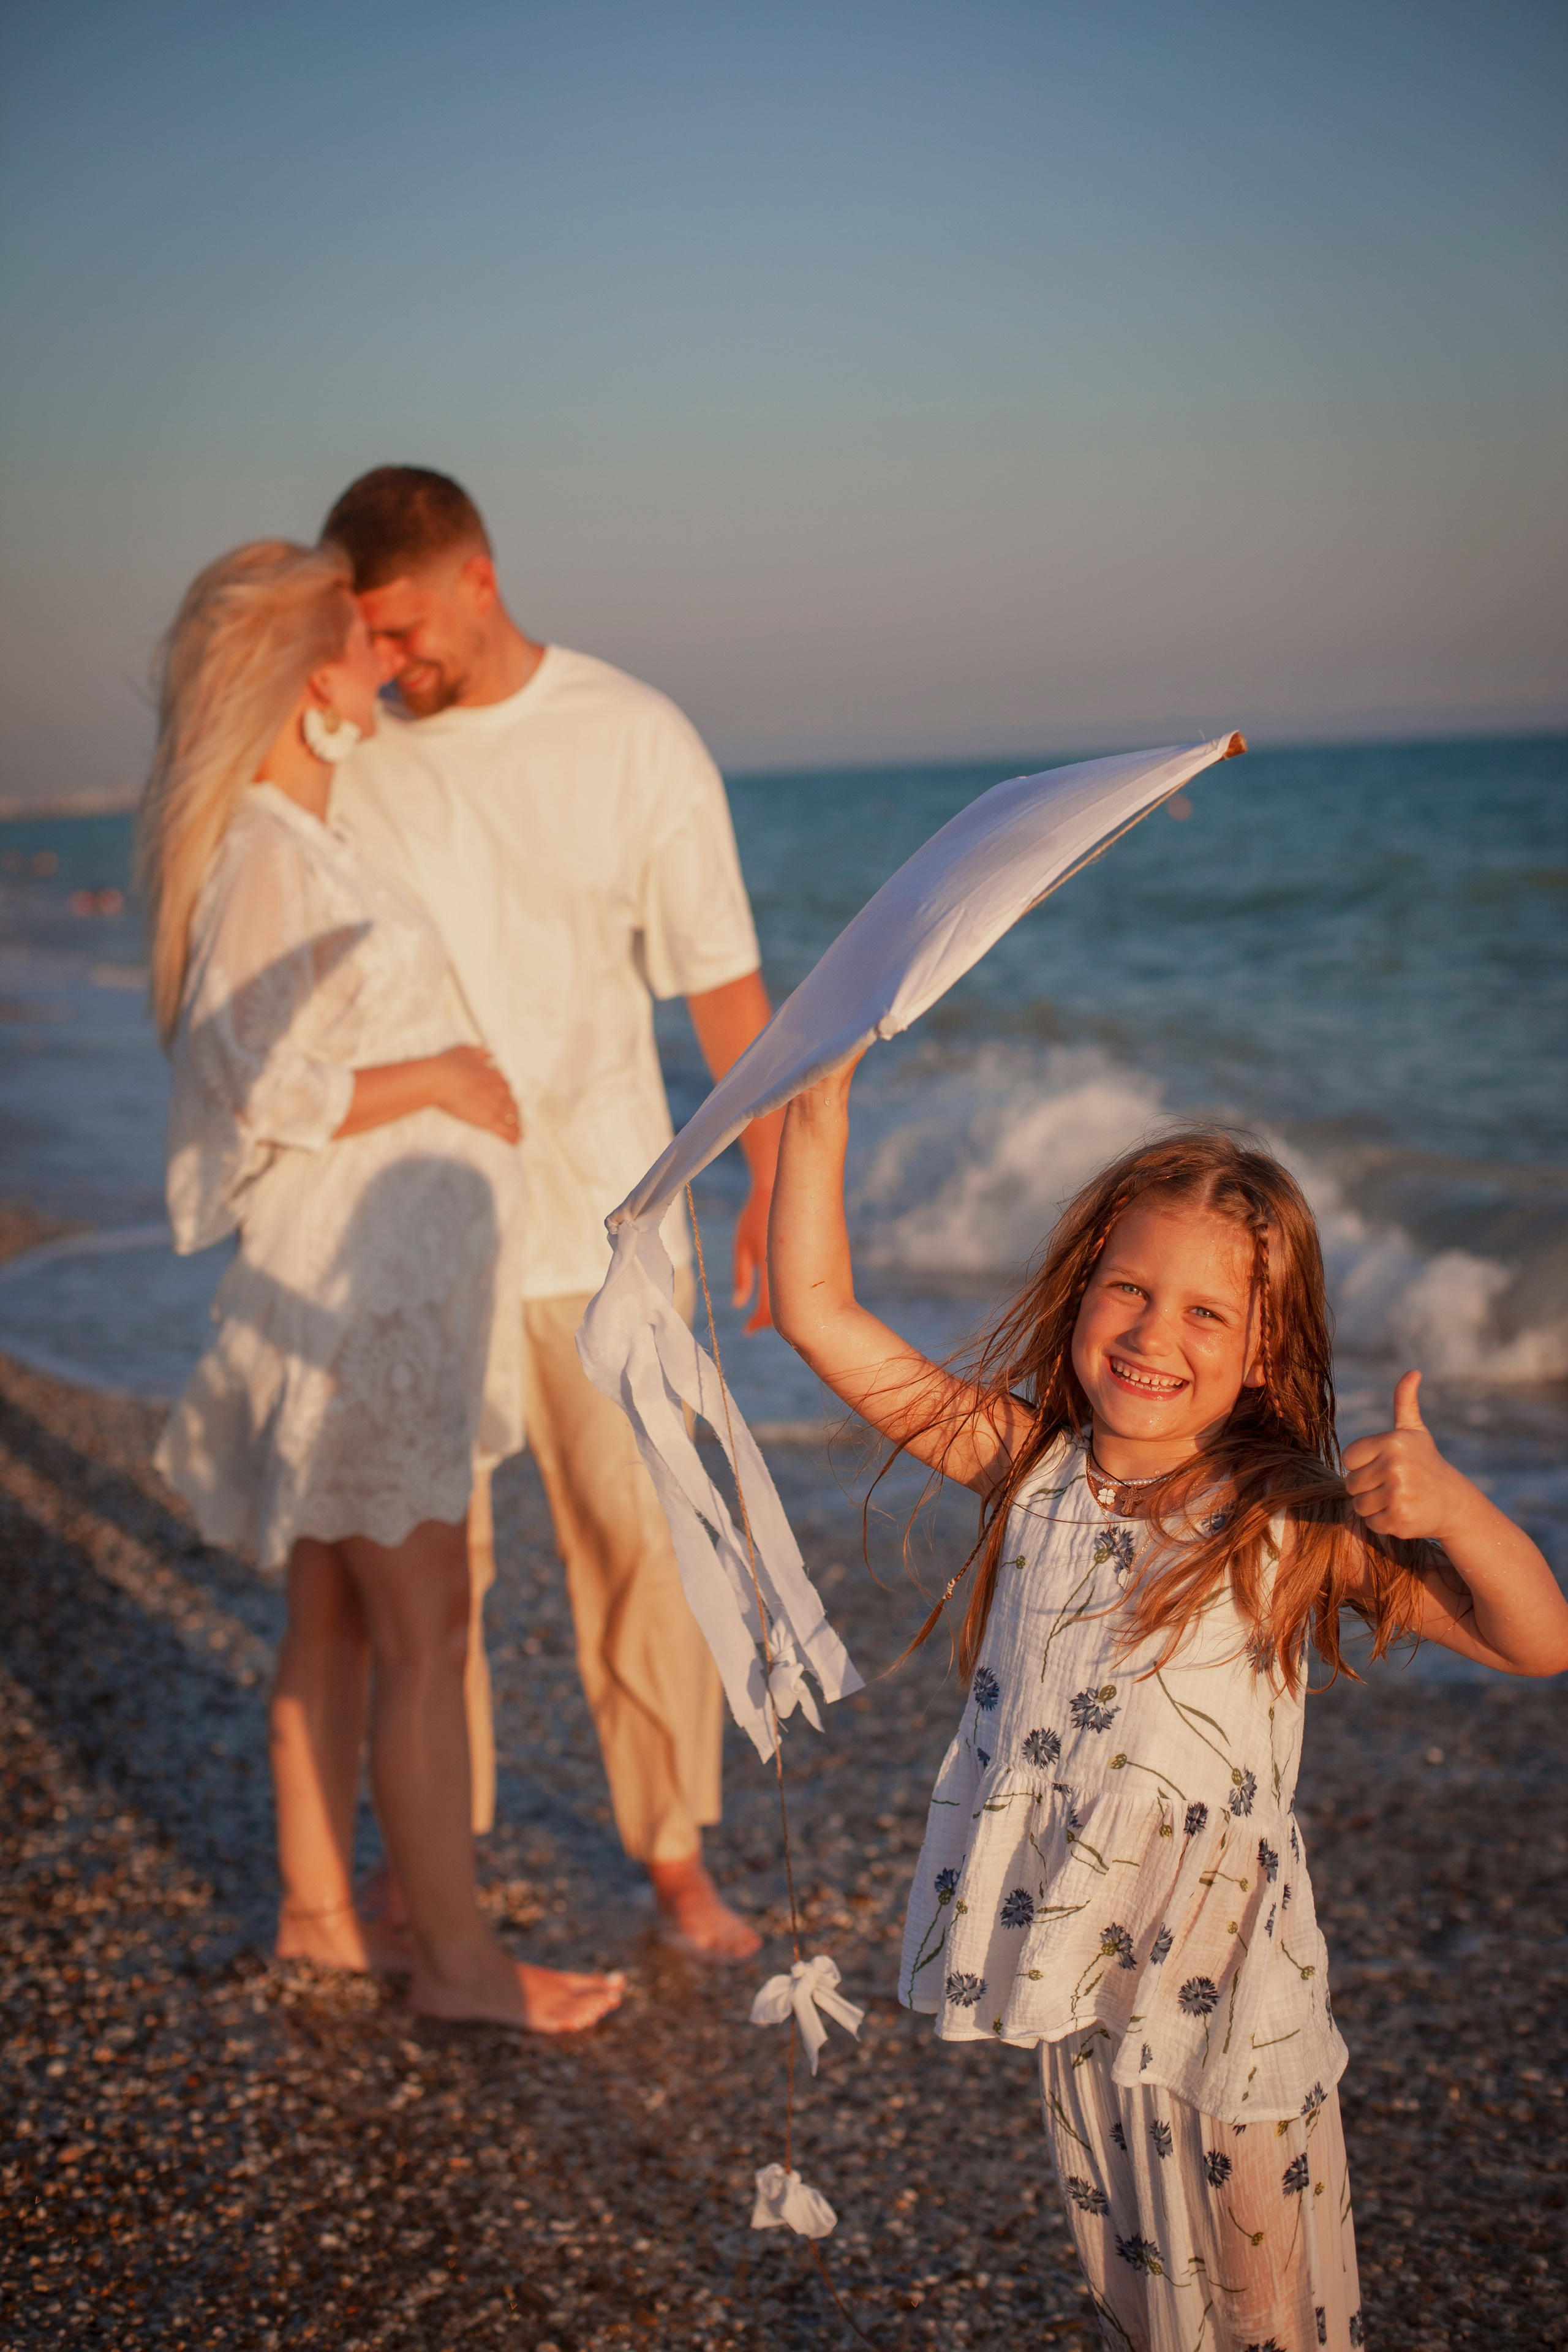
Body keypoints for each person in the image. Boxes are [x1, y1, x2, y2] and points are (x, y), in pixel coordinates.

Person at [768, 1098, 1568, 2351]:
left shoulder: (1280, 1518)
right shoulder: (1028, 1465)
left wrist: (1458, 1513)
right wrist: (812, 1120)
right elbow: (819, 1316)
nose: (1151, 1335)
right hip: (1083, 1950)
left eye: (1204, 1313)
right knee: (1136, 2277)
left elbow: (1532, 1641)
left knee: (1262, 2296)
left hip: (1230, 1973)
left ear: (1263, 1351)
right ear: (1082, 1287)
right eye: (1127, 1290)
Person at [140, 538, 624, 2033]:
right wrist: (439, 1075)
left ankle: (317, 1917)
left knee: (341, 1624)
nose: (378, 666)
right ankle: (464, 1970)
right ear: (302, 681)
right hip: (366, 1315)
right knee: (426, 1634)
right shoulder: (272, 854)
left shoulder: (301, 838)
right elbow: (252, 1070)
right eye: (354, 644)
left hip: (389, 1303)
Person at [322, 466, 780, 1958]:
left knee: (646, 1547)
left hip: (608, 1217)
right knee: (429, 1570)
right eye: (366, 640)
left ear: (479, 576)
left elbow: (721, 982)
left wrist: (775, 1183)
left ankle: (671, 1858)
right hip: (405, 1232)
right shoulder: (354, 755)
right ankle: (423, 1859)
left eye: (402, 631)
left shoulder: (634, 736)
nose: (390, 666)